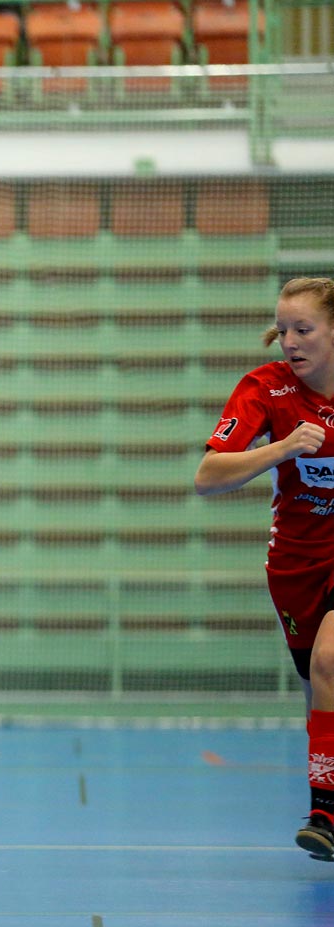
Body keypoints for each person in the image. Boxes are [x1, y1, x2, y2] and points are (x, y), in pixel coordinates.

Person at [195, 276, 334, 862]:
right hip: (297, 563)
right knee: (318, 688)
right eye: (283, 330)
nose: (290, 342)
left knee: (331, 661)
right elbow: (207, 477)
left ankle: (324, 813)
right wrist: (282, 447)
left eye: (304, 330)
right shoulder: (266, 389)